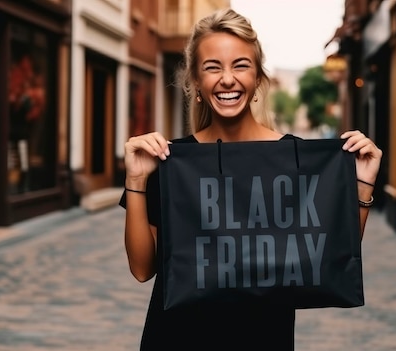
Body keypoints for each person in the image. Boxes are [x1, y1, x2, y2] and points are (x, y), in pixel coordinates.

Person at [120, 8, 382, 350]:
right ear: (196, 82)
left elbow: (330, 255)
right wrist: (137, 179)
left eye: (240, 65)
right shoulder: (172, 161)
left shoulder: (297, 159)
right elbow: (142, 269)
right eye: (213, 67)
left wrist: (361, 186)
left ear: (258, 78)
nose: (227, 79)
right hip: (176, 338)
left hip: (263, 338)